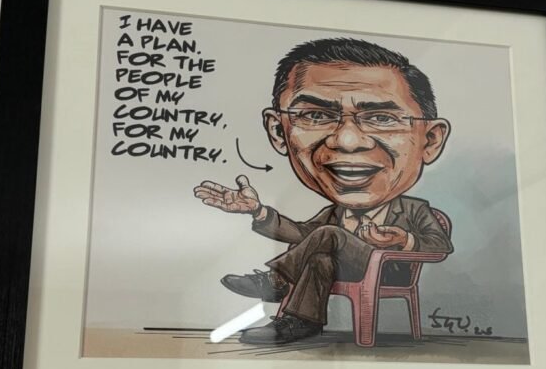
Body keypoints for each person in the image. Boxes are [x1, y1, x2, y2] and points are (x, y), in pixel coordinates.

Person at [193, 38, 452, 344]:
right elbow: (302, 234)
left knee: (328, 234)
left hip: (388, 268)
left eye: (382, 118)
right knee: (320, 258)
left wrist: (403, 239)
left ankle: (277, 280)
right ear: (278, 132)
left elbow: (440, 246)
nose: (347, 141)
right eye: (316, 115)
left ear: (430, 140)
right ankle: (299, 322)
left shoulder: (415, 210)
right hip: (346, 266)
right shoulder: (335, 214)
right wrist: (257, 212)